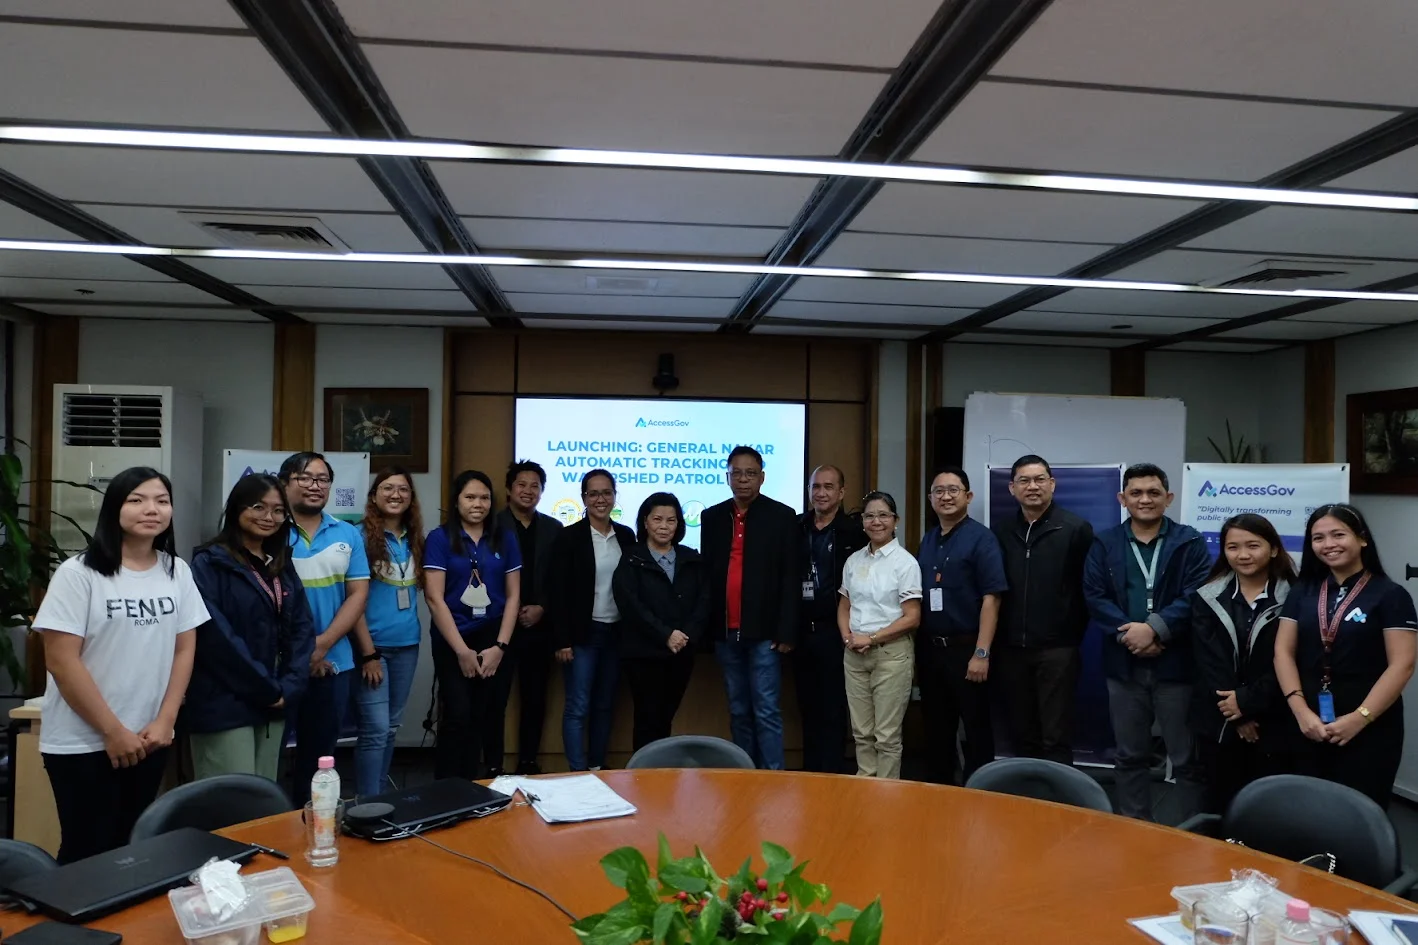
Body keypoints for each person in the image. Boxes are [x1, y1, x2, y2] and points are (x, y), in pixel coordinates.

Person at [35, 467, 208, 863]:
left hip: (149, 738)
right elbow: (61, 661)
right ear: (114, 508)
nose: (152, 509)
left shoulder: (175, 570)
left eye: (162, 501)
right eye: (137, 500)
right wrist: (112, 732)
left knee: (131, 848)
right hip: (84, 741)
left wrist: (166, 719)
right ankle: (77, 926)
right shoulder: (78, 574)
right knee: (87, 850)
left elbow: (185, 648)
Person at [1083, 463, 1209, 821]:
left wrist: (1154, 629)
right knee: (1129, 756)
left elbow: (1196, 595)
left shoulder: (1190, 541)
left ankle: (1192, 832)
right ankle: (1136, 829)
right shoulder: (1104, 543)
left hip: (1176, 665)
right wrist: (1131, 635)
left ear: (1168, 498)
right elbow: (1094, 596)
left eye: (1154, 492)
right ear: (1122, 498)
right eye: (1136, 493)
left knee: (1185, 758)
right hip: (1125, 665)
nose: (1145, 499)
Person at [1274, 504, 1417, 809]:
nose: (1328, 545)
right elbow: (1283, 652)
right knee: (1305, 811)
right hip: (1306, 721)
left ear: (1362, 539)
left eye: (1338, 535)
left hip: (1369, 725)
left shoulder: (1391, 595)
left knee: (1358, 814)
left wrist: (1359, 719)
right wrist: (1300, 710)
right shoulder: (1303, 591)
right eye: (1318, 538)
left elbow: (1402, 665)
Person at [188, 474, 315, 783]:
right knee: (231, 800)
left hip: (275, 698)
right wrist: (267, 689)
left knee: (263, 797)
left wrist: (290, 687)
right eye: (258, 507)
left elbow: (302, 627)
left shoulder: (279, 563)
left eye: (277, 510)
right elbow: (216, 637)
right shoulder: (209, 563)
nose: (268, 518)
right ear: (236, 509)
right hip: (225, 699)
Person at [701, 446, 801, 770]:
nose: (743, 479)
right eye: (737, 473)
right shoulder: (712, 517)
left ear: (762, 477)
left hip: (765, 633)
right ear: (727, 476)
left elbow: (791, 576)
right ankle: (745, 775)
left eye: (750, 473)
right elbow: (707, 575)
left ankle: (773, 778)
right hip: (725, 631)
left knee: (767, 710)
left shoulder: (782, 516)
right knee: (738, 709)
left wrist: (787, 630)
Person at [1191, 513, 1296, 814]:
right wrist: (1236, 714)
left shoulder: (1296, 596)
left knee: (1272, 810)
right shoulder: (1208, 596)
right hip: (1220, 720)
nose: (1243, 555)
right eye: (1233, 547)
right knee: (1220, 805)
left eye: (1253, 545)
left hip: (1275, 719)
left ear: (1273, 549)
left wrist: (1248, 703)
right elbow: (1208, 661)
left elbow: (1291, 659)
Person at [992, 454, 1094, 765]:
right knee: (1023, 733)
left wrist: (1068, 633)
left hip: (1057, 650)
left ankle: (1059, 804)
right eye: (1024, 480)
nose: (1032, 486)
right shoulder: (1002, 531)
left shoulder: (1076, 528)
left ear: (1052, 484)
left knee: (1056, 734)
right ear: (1012, 488)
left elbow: (1088, 590)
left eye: (1039, 480)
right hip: (1011, 650)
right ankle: (1028, 801)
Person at [281, 451, 370, 806]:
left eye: (322, 479)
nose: (315, 486)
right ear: (285, 483)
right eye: (305, 478)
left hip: (334, 661)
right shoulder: (271, 529)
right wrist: (301, 653)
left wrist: (322, 645)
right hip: (279, 662)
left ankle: (313, 827)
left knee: (319, 757)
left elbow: (358, 594)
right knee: (269, 754)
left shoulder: (347, 532)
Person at [423, 470, 522, 779]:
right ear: (456, 502)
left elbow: (514, 594)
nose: (477, 503)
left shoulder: (504, 537)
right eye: (470, 497)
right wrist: (462, 652)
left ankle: (474, 789)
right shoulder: (440, 539)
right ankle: (446, 790)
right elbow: (434, 598)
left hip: (493, 635)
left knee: (484, 716)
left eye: (484, 497)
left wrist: (500, 647)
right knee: (457, 715)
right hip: (453, 635)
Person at [915, 467, 1007, 785]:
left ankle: (982, 794)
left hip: (968, 649)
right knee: (937, 731)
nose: (946, 497)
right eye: (938, 491)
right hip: (931, 651)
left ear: (968, 496)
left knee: (977, 730)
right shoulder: (928, 539)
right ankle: (941, 795)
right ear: (930, 499)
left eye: (953, 490)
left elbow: (992, 599)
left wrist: (981, 652)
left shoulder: (982, 539)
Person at [549, 469, 635, 771]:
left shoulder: (626, 535)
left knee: (604, 705)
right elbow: (557, 592)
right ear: (584, 498)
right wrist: (562, 640)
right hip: (582, 635)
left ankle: (597, 768)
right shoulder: (569, 537)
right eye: (594, 493)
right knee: (578, 707)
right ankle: (577, 772)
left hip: (615, 633)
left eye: (606, 492)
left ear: (614, 496)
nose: (601, 499)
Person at [350, 467, 425, 797]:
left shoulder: (415, 538)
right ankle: (366, 803)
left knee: (391, 727)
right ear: (373, 496)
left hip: (408, 644)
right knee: (375, 729)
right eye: (388, 488)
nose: (396, 495)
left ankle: (380, 797)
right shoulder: (358, 537)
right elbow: (353, 602)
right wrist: (368, 654)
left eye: (403, 489)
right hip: (372, 647)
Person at [613, 493, 709, 750]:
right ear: (645, 522)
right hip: (644, 653)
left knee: (666, 717)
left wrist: (685, 635)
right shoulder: (631, 558)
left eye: (671, 520)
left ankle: (661, 777)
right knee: (647, 718)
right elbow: (631, 605)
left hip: (681, 652)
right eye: (657, 519)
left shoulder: (692, 559)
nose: (664, 526)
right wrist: (665, 634)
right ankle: (642, 778)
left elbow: (704, 602)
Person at [838, 491, 922, 779]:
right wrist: (848, 637)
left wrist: (871, 639)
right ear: (862, 522)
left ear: (895, 521)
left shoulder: (905, 562)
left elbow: (912, 617)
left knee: (886, 737)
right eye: (870, 516)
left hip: (890, 655)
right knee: (861, 733)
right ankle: (865, 791)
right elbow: (844, 605)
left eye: (883, 515)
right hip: (854, 654)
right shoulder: (854, 560)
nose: (876, 521)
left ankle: (886, 800)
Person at [794, 465, 867, 773]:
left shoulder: (854, 531)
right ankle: (811, 774)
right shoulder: (796, 527)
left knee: (834, 710)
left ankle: (833, 775)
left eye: (828, 487)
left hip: (836, 631)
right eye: (815, 487)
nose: (820, 493)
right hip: (800, 631)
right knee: (806, 709)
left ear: (841, 492)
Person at [496, 460, 563, 776]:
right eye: (521, 484)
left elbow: (561, 578)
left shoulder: (553, 528)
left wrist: (543, 607)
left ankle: (528, 760)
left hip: (540, 627)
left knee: (535, 699)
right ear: (509, 489)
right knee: (495, 699)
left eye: (535, 485)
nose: (528, 491)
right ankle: (493, 762)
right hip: (497, 627)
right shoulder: (493, 524)